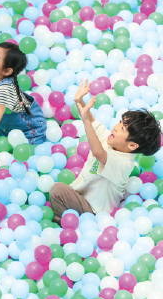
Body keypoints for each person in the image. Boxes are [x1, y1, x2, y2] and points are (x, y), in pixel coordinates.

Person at [50, 79, 162, 223]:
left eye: (122, 129)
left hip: (94, 211)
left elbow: (99, 153)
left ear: (132, 145)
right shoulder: (109, 138)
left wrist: (86, 121)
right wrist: (79, 100)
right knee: (60, 189)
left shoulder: (124, 163)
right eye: (120, 123)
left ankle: (66, 221)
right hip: (80, 196)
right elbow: (90, 119)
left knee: (57, 190)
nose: (116, 127)